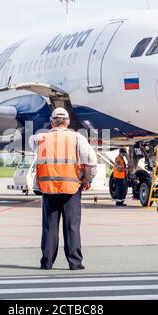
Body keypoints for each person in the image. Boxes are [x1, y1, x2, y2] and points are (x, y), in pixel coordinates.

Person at [29, 108, 97, 271]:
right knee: (72, 227)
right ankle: (74, 263)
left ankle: (47, 263)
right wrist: (85, 180)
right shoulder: (77, 138)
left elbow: (33, 143)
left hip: (48, 188)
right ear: (67, 122)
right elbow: (91, 163)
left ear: (52, 122)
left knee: (49, 227)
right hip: (71, 189)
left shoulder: (40, 139)